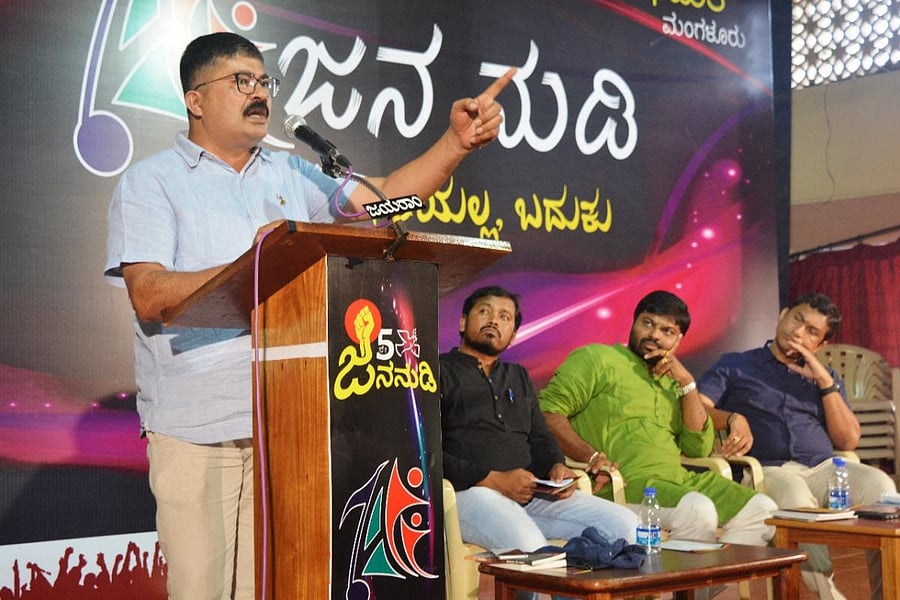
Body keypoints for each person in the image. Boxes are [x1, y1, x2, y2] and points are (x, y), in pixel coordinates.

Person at [104, 31, 515, 600]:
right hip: (198, 429)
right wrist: (258, 264)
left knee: (268, 589)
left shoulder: (291, 174)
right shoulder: (151, 183)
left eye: (263, 82)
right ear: (195, 99)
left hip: (288, 423)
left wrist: (456, 143)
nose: (259, 94)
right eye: (240, 81)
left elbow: (384, 201)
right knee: (201, 591)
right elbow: (149, 294)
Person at [539, 290, 777, 549]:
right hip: (626, 483)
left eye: (667, 331)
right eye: (648, 323)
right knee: (698, 509)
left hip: (679, 480)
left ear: (678, 339)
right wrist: (591, 456)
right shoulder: (597, 358)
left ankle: (697, 587)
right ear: (634, 322)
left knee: (763, 511)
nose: (654, 335)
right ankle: (684, 584)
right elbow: (548, 412)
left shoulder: (674, 381)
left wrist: (687, 384)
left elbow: (696, 448)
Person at [698, 293, 897, 600]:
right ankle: (828, 594)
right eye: (797, 320)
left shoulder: (823, 378)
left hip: (825, 468)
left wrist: (823, 379)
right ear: (783, 315)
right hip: (768, 470)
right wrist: (731, 418)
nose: (799, 332)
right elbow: (698, 407)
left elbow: (848, 441)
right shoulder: (736, 365)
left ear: (821, 345)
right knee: (795, 497)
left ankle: (887, 595)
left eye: (811, 332)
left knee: (883, 489)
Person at [440, 286, 638, 558]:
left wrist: (557, 466)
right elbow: (424, 450)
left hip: (530, 495)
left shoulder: (518, 375)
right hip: (468, 493)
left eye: (505, 317)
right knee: (530, 546)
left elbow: (540, 437)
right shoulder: (437, 370)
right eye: (484, 311)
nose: (494, 321)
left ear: (513, 335)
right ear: (463, 322)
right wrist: (492, 479)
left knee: (625, 525)